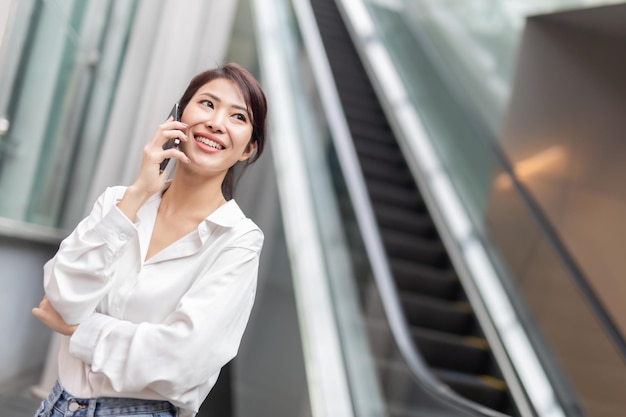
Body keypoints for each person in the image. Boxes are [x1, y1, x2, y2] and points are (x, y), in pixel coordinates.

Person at [31, 62, 268, 417]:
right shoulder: (118, 202)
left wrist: (80, 329)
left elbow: (183, 360)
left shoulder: (237, 240)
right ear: (177, 116)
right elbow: (61, 296)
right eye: (206, 104)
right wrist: (139, 193)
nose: (216, 123)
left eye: (237, 116)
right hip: (57, 405)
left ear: (248, 148)